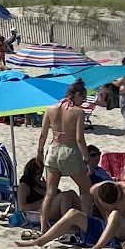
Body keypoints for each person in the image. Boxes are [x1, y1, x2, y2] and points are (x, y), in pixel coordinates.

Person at [22, 178, 125, 249]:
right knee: (72, 213)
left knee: (115, 214)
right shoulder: (99, 190)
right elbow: (92, 192)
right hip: (107, 227)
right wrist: (102, 211)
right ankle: (39, 241)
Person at [37, 80, 89, 228]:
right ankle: (86, 227)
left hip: (53, 150)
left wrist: (39, 152)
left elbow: (43, 135)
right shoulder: (78, 112)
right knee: (86, 191)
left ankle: (43, 229)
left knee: (49, 193)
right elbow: (79, 139)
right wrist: (86, 158)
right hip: (69, 151)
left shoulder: (50, 108)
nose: (83, 102)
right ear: (77, 94)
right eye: (83, 98)